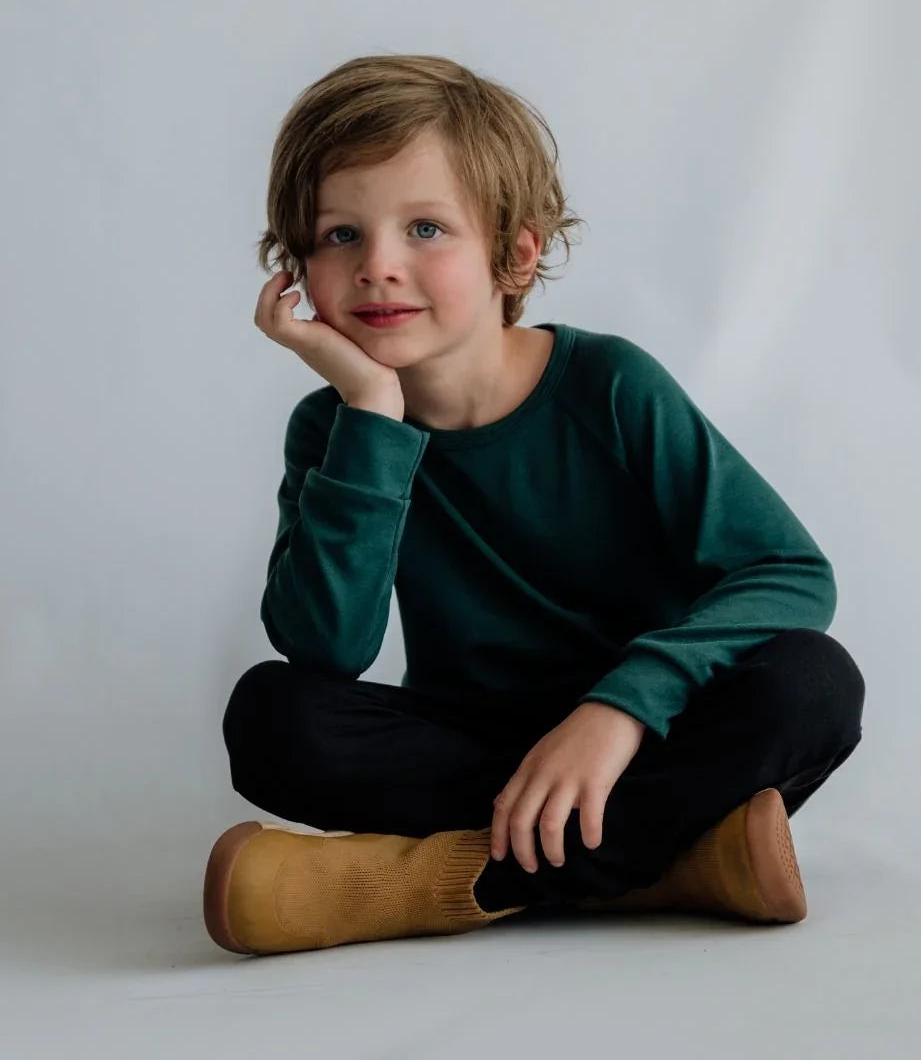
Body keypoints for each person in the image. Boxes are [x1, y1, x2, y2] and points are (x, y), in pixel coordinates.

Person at [202, 53, 866, 957]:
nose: (378, 266)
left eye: (426, 228)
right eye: (339, 236)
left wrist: (619, 709)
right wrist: (371, 413)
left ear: (515, 251)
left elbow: (788, 572)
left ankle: (426, 886)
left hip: (641, 735)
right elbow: (327, 649)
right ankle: (671, 863)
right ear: (298, 267)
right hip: (478, 753)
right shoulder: (335, 428)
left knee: (812, 682)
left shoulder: (611, 385)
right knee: (272, 716)